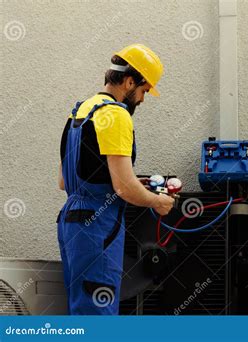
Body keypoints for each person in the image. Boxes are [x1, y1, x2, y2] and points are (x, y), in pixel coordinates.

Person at [57, 44, 174, 315]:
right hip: (98, 224)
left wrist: (133, 183)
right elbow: (123, 187)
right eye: (144, 90)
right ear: (129, 81)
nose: (143, 99)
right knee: (99, 314)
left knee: (81, 308)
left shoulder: (78, 112)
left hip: (71, 222)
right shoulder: (116, 114)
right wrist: (157, 201)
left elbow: (65, 181)